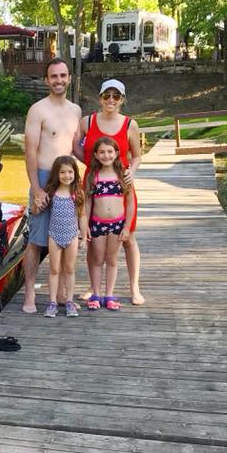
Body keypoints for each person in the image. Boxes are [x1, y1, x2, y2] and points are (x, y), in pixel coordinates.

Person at [75, 78, 144, 305]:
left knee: (129, 238)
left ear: (122, 99)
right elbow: (76, 145)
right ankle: (93, 288)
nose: (111, 100)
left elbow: (137, 155)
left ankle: (134, 287)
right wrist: (91, 163)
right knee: (93, 238)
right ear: (100, 97)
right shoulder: (88, 121)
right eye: (107, 96)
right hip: (95, 181)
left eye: (116, 96)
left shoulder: (129, 124)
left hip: (121, 182)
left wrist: (131, 171)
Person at [22, 57, 82, 314]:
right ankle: (29, 295)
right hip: (44, 178)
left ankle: (58, 294)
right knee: (36, 239)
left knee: (65, 236)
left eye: (63, 75)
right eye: (54, 76)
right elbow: (30, 151)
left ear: (69, 78)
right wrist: (36, 188)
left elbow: (77, 148)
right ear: (47, 80)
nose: (59, 80)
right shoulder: (38, 110)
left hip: (66, 181)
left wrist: (109, 165)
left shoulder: (76, 110)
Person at [83, 137, 136, 311]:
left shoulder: (124, 175)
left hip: (117, 224)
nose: (106, 155)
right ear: (96, 155)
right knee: (97, 259)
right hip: (97, 224)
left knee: (112, 259)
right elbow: (88, 203)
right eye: (102, 152)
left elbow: (130, 203)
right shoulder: (93, 176)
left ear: (116, 153)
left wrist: (127, 227)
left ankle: (109, 295)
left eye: (110, 152)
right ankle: (96, 294)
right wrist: (85, 225)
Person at [41, 155, 86, 318]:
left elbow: (82, 216)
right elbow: (38, 209)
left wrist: (84, 237)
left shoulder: (77, 193)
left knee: (69, 269)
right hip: (54, 235)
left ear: (75, 173)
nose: (67, 175)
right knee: (54, 269)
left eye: (70, 172)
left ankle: (69, 301)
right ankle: (52, 302)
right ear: (56, 174)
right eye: (62, 172)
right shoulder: (51, 192)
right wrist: (37, 203)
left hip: (72, 235)